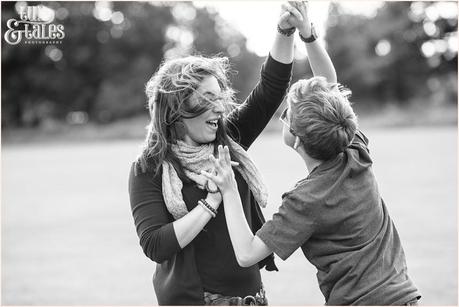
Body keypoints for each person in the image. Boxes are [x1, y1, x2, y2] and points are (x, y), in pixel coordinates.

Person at [201, 2, 422, 305]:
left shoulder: (306, 200)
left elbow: (247, 252)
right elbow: (330, 83)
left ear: (297, 139)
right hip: (404, 298)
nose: (282, 115)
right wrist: (307, 35)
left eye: (286, 114)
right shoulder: (353, 150)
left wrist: (228, 189)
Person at [128, 3, 311, 305]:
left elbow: (271, 89)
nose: (220, 108)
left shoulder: (227, 139)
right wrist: (211, 201)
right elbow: (154, 245)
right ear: (178, 108)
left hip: (252, 299)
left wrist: (285, 30)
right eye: (208, 99)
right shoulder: (148, 167)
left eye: (221, 97)